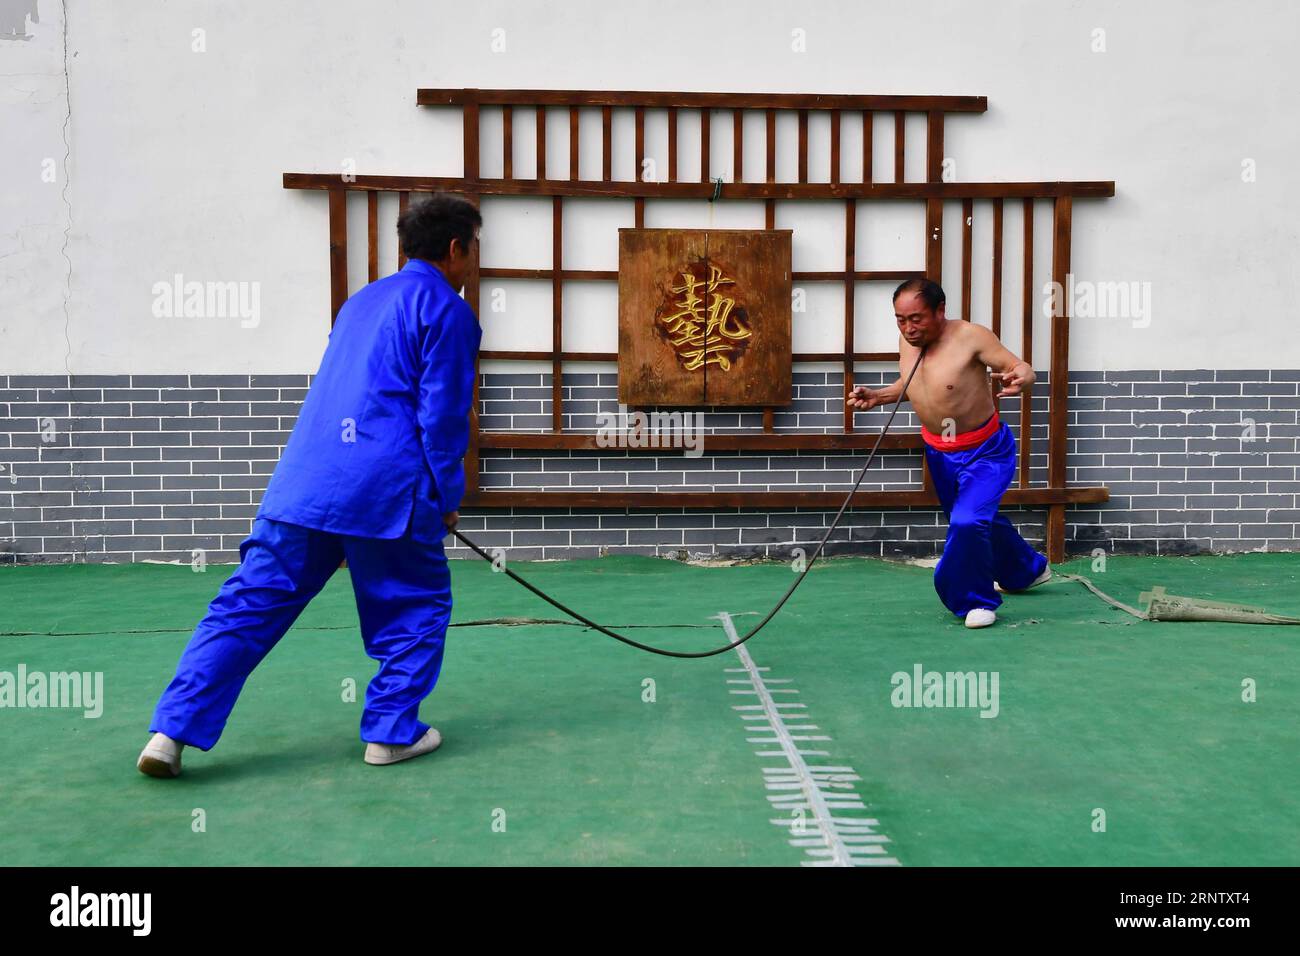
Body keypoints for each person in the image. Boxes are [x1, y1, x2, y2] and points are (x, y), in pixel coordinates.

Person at [137, 193, 483, 776]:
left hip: (305, 485)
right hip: (385, 492)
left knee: (247, 605)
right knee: (414, 607)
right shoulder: (446, 310)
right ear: (456, 250)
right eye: (473, 249)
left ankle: (170, 731)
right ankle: (391, 733)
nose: (472, 262)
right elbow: (441, 418)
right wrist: (447, 497)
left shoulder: (358, 304)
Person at [847, 278, 1050, 628]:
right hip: (939, 453)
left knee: (967, 521)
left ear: (940, 310)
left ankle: (975, 601)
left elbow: (1018, 366)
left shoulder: (971, 336)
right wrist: (878, 396)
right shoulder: (908, 342)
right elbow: (918, 384)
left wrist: (1022, 378)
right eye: (900, 319)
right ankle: (1027, 570)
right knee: (975, 520)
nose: (908, 328)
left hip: (985, 451)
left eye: (917, 318)